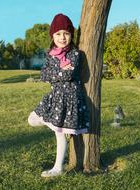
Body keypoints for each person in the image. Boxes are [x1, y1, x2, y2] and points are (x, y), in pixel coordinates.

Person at [28, 13, 90, 178]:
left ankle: (58, 168)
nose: (62, 37)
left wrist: (57, 73)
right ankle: (49, 122)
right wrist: (60, 71)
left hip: (69, 98)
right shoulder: (50, 55)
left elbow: (68, 75)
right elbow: (44, 75)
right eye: (58, 34)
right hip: (54, 97)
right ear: (53, 35)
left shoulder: (75, 54)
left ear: (71, 35)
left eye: (66, 33)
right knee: (32, 119)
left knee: (59, 132)